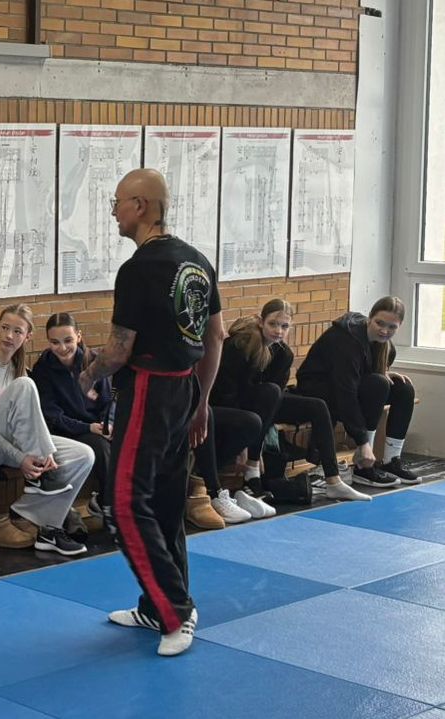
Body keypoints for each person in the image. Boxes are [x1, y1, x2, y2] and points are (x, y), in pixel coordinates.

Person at [79, 168, 224, 657]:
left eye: (118, 202)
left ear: (140, 206)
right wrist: (202, 401)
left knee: (123, 503)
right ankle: (156, 605)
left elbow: (119, 351)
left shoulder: (138, 269)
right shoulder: (197, 261)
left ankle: (174, 612)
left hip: (148, 390)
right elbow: (215, 337)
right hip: (184, 389)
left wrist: (87, 376)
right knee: (164, 501)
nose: (113, 212)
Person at [0, 303, 95, 557]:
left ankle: (47, 528)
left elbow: (30, 421)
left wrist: (43, 452)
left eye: (17, 331)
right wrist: (21, 458)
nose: (9, 335)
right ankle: (38, 480)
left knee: (84, 455)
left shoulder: (19, 367)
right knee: (25, 385)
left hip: (8, 441)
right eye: (4, 328)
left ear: (28, 336)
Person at [210, 299, 371, 507]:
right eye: (273, 324)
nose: (278, 331)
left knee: (318, 406)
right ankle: (252, 471)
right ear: (261, 322)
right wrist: (244, 444)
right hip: (230, 405)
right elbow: (226, 392)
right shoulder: (239, 345)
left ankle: (333, 480)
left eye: (284, 326)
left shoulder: (283, 354)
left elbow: (275, 399)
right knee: (270, 391)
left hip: (264, 405)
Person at [295, 296, 420, 487]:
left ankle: (391, 461)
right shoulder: (346, 340)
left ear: (399, 326)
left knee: (404, 389)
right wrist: (363, 443)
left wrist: (384, 372)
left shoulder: (385, 346)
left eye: (392, 327)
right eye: (379, 323)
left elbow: (360, 374)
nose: (384, 331)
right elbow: (345, 393)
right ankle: (364, 464)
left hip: (346, 385)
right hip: (317, 388)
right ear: (370, 318)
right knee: (378, 384)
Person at [31, 312, 113, 517]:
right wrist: (88, 427)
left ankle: (118, 502)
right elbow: (51, 415)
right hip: (66, 431)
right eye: (55, 342)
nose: (62, 348)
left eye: (68, 340)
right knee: (101, 447)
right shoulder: (43, 369)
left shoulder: (94, 361)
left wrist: (107, 424)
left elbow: (108, 400)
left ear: (79, 336)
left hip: (96, 427)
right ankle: (109, 505)